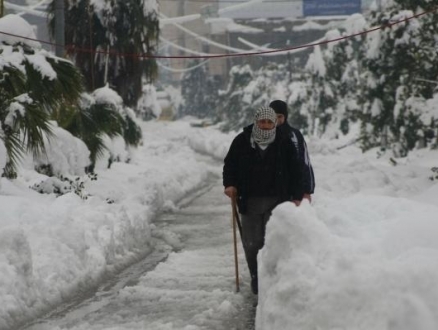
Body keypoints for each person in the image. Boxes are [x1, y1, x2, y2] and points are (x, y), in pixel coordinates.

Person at [222, 106, 305, 295]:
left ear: (274, 123)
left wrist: (297, 196)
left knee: (271, 242)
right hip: (249, 200)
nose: (266, 126)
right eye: (262, 122)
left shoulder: (284, 141)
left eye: (269, 122)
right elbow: (230, 165)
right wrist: (230, 185)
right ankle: (256, 277)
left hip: (277, 201)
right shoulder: (242, 141)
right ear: (256, 121)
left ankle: (270, 281)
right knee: (252, 243)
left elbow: (296, 170)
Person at [269, 100, 315, 201]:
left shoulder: (294, 135)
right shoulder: (262, 135)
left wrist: (307, 190)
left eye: (279, 116)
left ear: (285, 116)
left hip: (291, 193)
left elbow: (305, 162)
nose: (276, 120)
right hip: (268, 194)